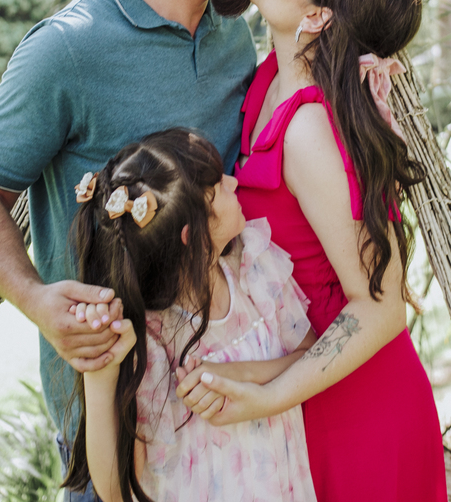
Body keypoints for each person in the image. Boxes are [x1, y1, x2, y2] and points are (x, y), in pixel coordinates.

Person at [0, 0, 298, 499]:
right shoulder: (66, 50)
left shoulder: (233, 36)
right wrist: (37, 300)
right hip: (115, 436)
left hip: (221, 419)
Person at [175, 0, 448, 501]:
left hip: (359, 410)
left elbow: (380, 310)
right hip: (306, 390)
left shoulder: (309, 131)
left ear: (318, 16)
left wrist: (267, 395)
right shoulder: (267, 83)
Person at [65, 129, 318, 502]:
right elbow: (117, 490)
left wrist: (242, 375)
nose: (234, 182)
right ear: (193, 236)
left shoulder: (255, 265)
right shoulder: (151, 341)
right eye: (219, 187)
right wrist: (99, 374)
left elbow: (311, 354)